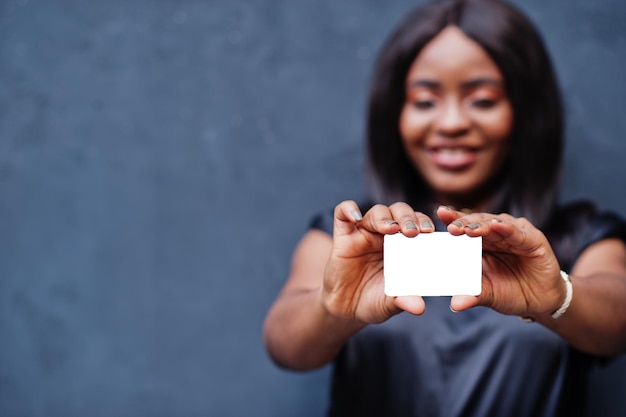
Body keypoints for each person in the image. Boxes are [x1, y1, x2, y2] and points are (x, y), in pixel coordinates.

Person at [263, 0, 626, 415]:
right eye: (424, 101)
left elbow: (617, 323)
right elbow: (284, 343)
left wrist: (557, 296)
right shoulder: (352, 239)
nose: (451, 122)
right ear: (394, 114)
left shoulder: (580, 236)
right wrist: (332, 309)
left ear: (524, 112)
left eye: (483, 100)